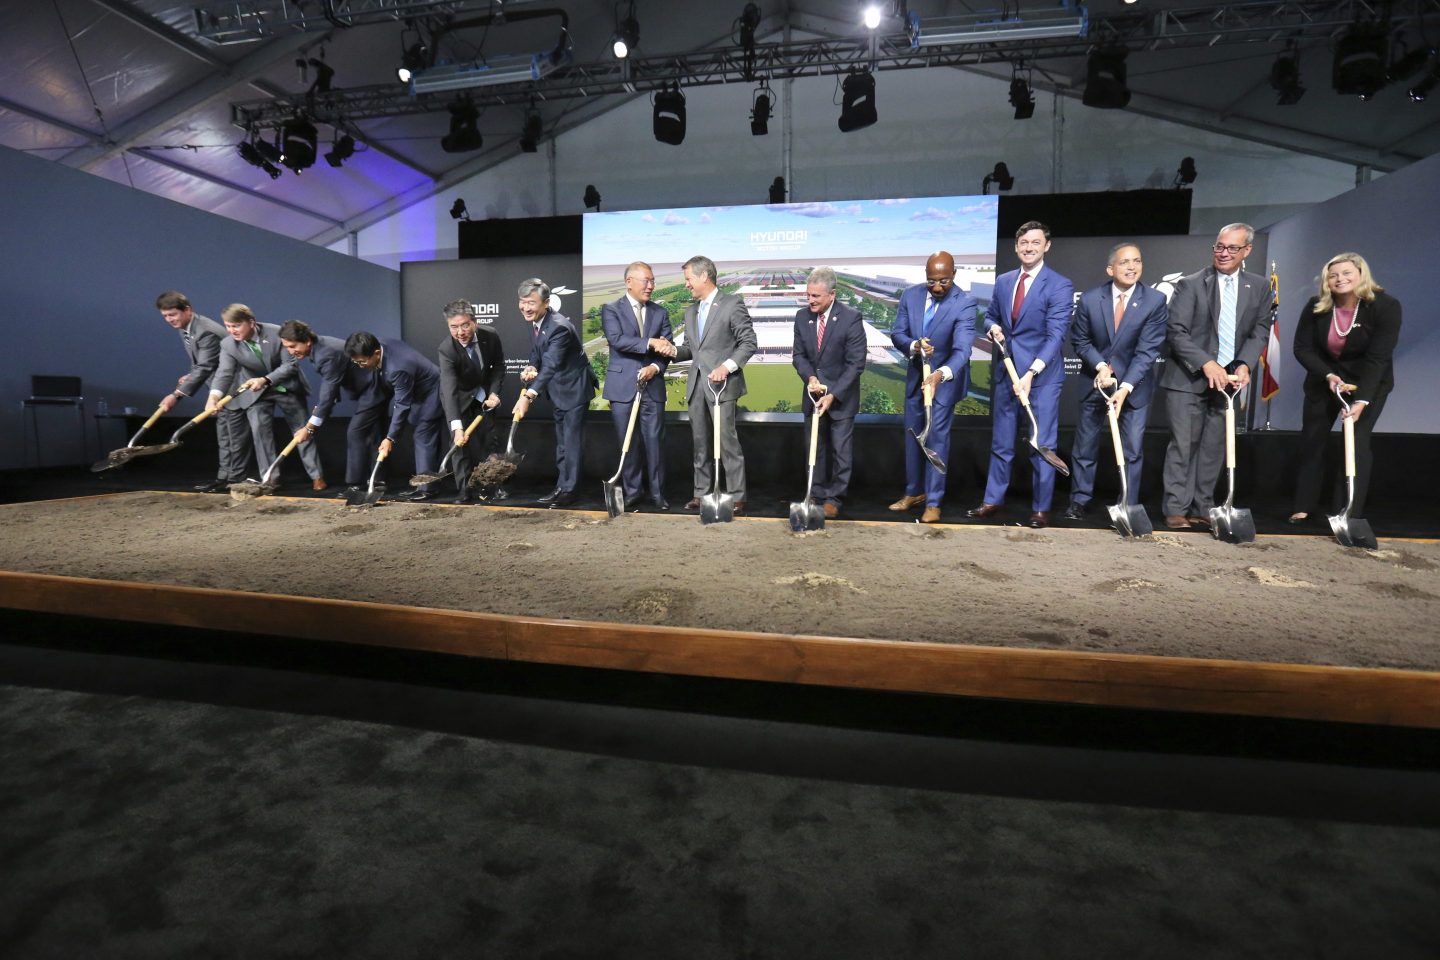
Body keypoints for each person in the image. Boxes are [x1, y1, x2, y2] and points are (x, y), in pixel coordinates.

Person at [1158, 223, 1273, 530]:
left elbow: (1260, 330)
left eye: (1232, 248)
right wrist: (1207, 364)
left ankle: (1202, 506)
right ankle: (1175, 508)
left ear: (1247, 250)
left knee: (1213, 447)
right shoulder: (1191, 284)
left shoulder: (1260, 286)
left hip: (1229, 383)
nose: (1223, 253)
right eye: (1219, 247)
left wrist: (1245, 364)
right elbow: (1176, 331)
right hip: (1187, 379)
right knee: (1183, 444)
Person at [969, 221, 1074, 528]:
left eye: (1035, 242)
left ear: (1047, 246)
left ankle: (1041, 508)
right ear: (1016, 247)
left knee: (1041, 443)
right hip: (1006, 372)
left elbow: (1055, 336)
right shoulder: (1003, 281)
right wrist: (992, 328)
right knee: (1001, 442)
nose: (1029, 247)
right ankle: (993, 500)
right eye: (1024, 243)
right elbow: (990, 316)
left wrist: (1030, 374)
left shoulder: (1059, 285)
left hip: (1040, 379)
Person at [1289, 252, 1401, 524]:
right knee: (1312, 440)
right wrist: (1327, 374)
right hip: (1325, 380)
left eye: (1347, 273)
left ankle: (1347, 510)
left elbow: (1378, 358)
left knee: (1356, 442)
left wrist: (1362, 400)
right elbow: (1302, 348)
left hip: (1368, 381)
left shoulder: (1385, 306)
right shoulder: (1316, 306)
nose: (1340, 279)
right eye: (1333, 274)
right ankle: (1303, 505)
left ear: (1361, 275)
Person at [1063, 243, 1169, 521]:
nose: (1132, 267)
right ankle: (1080, 500)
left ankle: (1127, 504)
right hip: (1094, 383)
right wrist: (1100, 366)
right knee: (1085, 447)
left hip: (1134, 389)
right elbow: (1080, 340)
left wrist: (1124, 387)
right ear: (1111, 269)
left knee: (1132, 449)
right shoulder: (1089, 299)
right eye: (1125, 262)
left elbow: (1148, 351)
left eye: (1137, 261)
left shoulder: (1155, 301)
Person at [887, 251, 977, 523]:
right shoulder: (910, 296)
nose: (937, 287)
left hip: (944, 379)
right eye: (932, 281)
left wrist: (940, 374)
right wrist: (914, 345)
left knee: (936, 438)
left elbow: (962, 350)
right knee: (913, 434)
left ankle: (934, 501)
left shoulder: (965, 303)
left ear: (954, 275)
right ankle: (914, 492)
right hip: (916, 376)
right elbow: (897, 333)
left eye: (944, 281)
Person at [670, 255, 757, 514]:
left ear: (704, 276)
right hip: (696, 385)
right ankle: (701, 494)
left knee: (727, 442)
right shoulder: (690, 311)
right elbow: (690, 350)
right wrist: (671, 350)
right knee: (700, 443)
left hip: (722, 386)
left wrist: (726, 367)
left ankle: (738, 496)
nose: (686, 285)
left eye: (688, 279)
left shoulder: (731, 304)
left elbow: (749, 342)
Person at [209, 304, 325, 490]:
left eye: (236, 326)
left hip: (286, 387)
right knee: (260, 433)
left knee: (302, 430)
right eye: (228, 326)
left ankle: (316, 475)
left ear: (251, 323)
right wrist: (214, 396)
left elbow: (290, 366)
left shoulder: (276, 333)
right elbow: (224, 373)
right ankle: (270, 478)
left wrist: (265, 379)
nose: (232, 331)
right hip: (255, 393)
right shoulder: (228, 344)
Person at [277, 320, 390, 496]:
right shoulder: (319, 348)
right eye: (287, 347)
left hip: (373, 388)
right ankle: (378, 481)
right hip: (367, 389)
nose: (290, 351)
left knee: (356, 433)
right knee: (373, 433)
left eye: (292, 346)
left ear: (306, 341)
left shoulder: (326, 353)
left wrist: (310, 427)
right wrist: (322, 410)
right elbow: (332, 388)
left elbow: (328, 391)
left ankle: (355, 485)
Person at [514, 278, 598, 507]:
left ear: (546, 302)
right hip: (559, 390)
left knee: (571, 443)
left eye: (531, 302)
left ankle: (570, 491)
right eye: (522, 302)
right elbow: (538, 352)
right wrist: (532, 366)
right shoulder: (538, 321)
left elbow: (550, 365)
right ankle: (562, 486)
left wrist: (528, 396)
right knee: (562, 443)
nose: (526, 308)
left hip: (574, 390)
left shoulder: (559, 327)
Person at [792, 266, 868, 519]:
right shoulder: (802, 317)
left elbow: (856, 363)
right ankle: (815, 493)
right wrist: (811, 377)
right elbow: (798, 356)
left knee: (840, 452)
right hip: (813, 397)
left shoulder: (851, 318)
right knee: (815, 448)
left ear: (832, 294)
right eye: (808, 295)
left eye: (816, 296)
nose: (810, 300)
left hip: (840, 399)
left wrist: (832, 393)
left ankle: (834, 498)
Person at [600, 262, 673, 510]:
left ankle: (658, 493)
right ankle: (633, 491)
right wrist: (651, 342)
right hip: (622, 387)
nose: (651, 286)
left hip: (652, 387)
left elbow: (668, 348)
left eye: (653, 281)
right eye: (646, 281)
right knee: (627, 442)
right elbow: (617, 340)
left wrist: (655, 368)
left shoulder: (660, 312)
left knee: (655, 442)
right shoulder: (611, 309)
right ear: (629, 281)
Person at [344, 331, 445, 502]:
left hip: (432, 392)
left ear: (376, 353)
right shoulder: (379, 344)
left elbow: (402, 405)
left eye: (362, 362)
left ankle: (427, 489)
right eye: (355, 362)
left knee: (423, 435)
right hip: (417, 392)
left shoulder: (398, 367)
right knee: (421, 434)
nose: (359, 365)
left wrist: (390, 438)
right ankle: (425, 485)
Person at [154, 291, 237, 493]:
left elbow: (206, 366)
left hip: (232, 388)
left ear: (187, 310)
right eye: (165, 316)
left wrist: (176, 394)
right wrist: (190, 376)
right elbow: (201, 364)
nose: (169, 320)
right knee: (225, 435)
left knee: (232, 435)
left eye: (173, 314)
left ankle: (234, 479)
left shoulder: (205, 331)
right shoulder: (187, 328)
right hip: (218, 387)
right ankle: (224, 478)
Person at [436, 300, 505, 503]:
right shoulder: (446, 349)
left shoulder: (490, 335)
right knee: (459, 445)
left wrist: (493, 393)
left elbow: (499, 366)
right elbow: (448, 389)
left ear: (474, 321)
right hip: (459, 397)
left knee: (491, 441)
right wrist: (456, 427)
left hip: (484, 397)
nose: (460, 332)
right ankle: (465, 490)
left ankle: (494, 486)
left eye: (465, 325)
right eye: (454, 327)